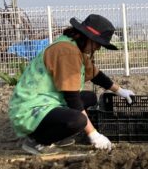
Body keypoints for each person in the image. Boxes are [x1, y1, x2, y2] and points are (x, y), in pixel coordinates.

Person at [8, 14, 135, 155]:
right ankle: (38, 141)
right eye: (98, 44)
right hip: (30, 108)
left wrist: (120, 91)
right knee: (78, 120)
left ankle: (56, 136)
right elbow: (72, 99)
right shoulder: (67, 52)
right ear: (89, 38)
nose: (98, 48)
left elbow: (95, 74)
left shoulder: (73, 46)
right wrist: (94, 135)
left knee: (90, 97)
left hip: (48, 99)